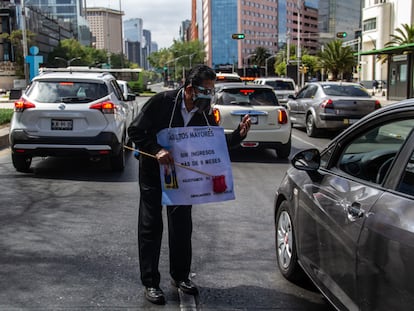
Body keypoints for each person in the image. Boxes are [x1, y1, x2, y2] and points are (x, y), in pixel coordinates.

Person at [127, 64, 251, 305]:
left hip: (182, 178)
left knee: (182, 226)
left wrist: (238, 136)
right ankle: (151, 282)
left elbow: (213, 143)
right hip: (154, 172)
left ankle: (180, 276)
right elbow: (135, 130)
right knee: (150, 225)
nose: (208, 94)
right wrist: (156, 150)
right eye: (204, 89)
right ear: (189, 88)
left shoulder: (204, 112)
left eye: (211, 90)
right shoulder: (162, 102)